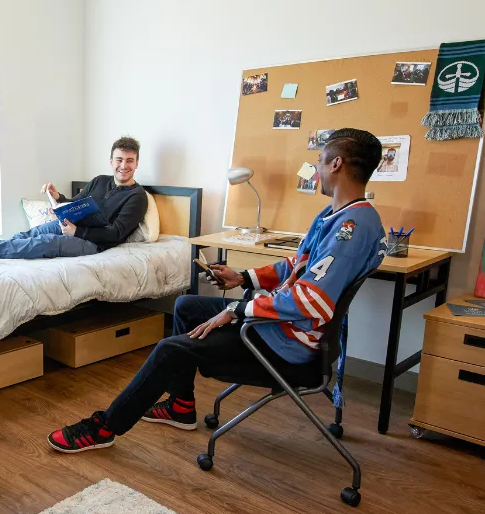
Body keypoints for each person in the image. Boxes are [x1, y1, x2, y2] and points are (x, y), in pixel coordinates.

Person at [47, 128, 387, 453]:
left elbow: (310, 299)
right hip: (278, 326)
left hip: (286, 344)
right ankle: (181, 405)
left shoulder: (352, 227)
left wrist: (238, 309)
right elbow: (294, 265)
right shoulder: (334, 215)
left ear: (337, 164)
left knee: (169, 349)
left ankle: (105, 427)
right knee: (186, 305)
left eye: (321, 160)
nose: (318, 170)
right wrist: (243, 278)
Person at [0, 137, 149, 261]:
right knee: (26, 236)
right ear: (111, 161)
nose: (124, 166)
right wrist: (58, 197)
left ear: (137, 163)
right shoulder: (99, 181)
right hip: (71, 226)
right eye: (120, 160)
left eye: (130, 161)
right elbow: (75, 202)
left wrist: (78, 231)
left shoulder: (137, 196)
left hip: (94, 244)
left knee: (43, 243)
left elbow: (116, 233)